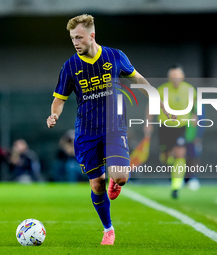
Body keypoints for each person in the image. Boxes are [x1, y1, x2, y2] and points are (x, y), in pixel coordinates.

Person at [46, 14, 174, 245]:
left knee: (122, 177)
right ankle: (108, 229)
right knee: (96, 183)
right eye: (72, 38)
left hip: (114, 127)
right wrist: (54, 114)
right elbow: (60, 99)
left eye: (79, 37)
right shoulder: (70, 66)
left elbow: (139, 80)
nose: (75, 42)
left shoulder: (115, 56)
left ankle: (116, 180)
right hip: (86, 132)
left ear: (92, 35)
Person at [144, 64, 196, 199]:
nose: (175, 79)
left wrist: (195, 117)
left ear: (182, 76)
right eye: (172, 76)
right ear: (169, 77)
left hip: (182, 127)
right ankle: (171, 167)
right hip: (165, 127)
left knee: (180, 154)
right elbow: (151, 106)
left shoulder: (190, 89)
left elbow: (195, 106)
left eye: (177, 76)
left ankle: (176, 186)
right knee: (166, 158)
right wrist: (148, 123)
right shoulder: (162, 90)